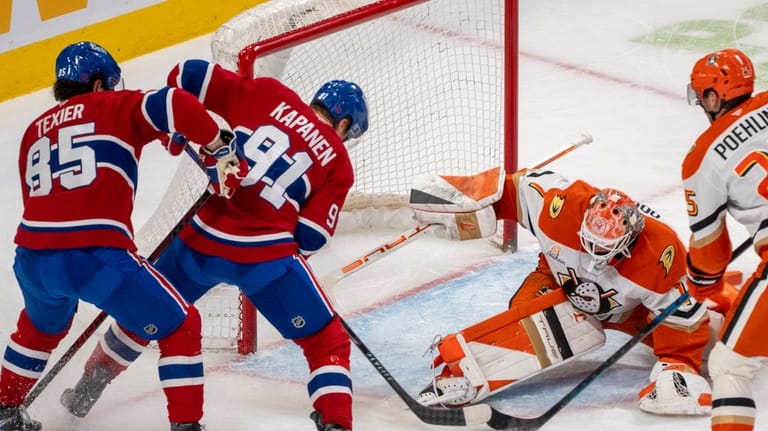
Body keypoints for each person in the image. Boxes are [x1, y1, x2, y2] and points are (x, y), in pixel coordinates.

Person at [60, 59, 369, 431]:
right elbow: (311, 237)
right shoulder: (338, 161)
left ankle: (86, 388)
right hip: (265, 257)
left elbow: (186, 73)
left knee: (144, 314)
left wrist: (176, 130)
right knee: (325, 341)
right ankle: (337, 422)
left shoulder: (270, 95)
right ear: (344, 124)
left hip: (202, 239)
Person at [0, 42, 247, 431]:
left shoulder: (33, 130)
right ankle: (186, 425)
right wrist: (219, 148)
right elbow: (175, 104)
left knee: (39, 326)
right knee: (180, 324)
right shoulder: (114, 105)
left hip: (32, 258)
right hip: (93, 255)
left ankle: (5, 412)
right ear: (98, 84)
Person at [408, 166, 735, 416]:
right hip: (557, 283)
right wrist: (467, 196)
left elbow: (676, 314)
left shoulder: (660, 253)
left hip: (633, 312)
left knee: (722, 346)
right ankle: (464, 369)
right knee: (525, 324)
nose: (595, 256)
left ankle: (733, 298)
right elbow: (514, 189)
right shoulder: (559, 207)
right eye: (590, 242)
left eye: (605, 248)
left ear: (629, 241)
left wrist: (678, 363)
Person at [684, 48, 768, 431]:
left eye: (701, 95)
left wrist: (703, 285)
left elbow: (710, 250)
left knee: (729, 366)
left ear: (714, 97)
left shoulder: (702, 156)